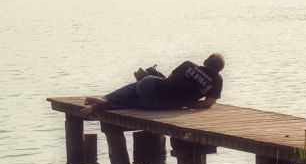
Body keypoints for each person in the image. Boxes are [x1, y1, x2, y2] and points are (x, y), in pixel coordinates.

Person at [80, 53, 226, 118]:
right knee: (131, 103)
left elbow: (170, 80)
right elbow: (208, 104)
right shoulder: (217, 81)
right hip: (159, 104)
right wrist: (188, 103)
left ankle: (104, 99)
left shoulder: (188, 64)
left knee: (135, 88)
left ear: (205, 62)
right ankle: (106, 104)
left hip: (150, 85)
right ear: (220, 69)